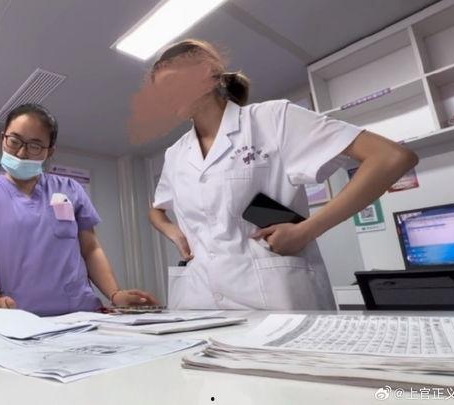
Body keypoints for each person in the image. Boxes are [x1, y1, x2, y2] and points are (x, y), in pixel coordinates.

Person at [148, 39, 418, 310]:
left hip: (272, 298)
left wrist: (306, 231)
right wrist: (174, 232)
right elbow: (157, 210)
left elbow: (391, 157)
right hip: (199, 301)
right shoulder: (175, 154)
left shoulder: (272, 119)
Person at [0, 103, 158, 316]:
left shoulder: (70, 189)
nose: (21, 152)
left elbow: (90, 248)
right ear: (3, 138)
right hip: (18, 315)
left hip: (80, 313)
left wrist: (115, 294)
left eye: (35, 146)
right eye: (14, 141)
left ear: (50, 151)